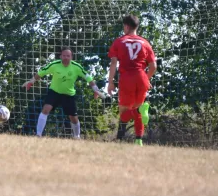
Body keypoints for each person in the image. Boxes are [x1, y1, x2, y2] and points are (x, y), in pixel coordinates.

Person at [23, 47, 104, 139]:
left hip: (69, 94)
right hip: (54, 92)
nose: (66, 57)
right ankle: (38, 135)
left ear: (71, 57)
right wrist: (31, 81)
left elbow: (88, 78)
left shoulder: (77, 67)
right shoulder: (54, 65)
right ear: (60, 56)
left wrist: (95, 89)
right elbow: (41, 73)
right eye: (64, 55)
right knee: (45, 109)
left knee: (73, 117)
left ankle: (77, 136)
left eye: (68, 56)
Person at [107, 14, 157, 146]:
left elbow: (113, 63)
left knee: (124, 110)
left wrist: (110, 82)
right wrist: (146, 79)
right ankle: (138, 141)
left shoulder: (119, 41)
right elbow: (153, 66)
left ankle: (119, 140)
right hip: (141, 76)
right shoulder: (145, 42)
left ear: (126, 26)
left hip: (127, 77)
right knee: (138, 107)